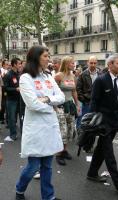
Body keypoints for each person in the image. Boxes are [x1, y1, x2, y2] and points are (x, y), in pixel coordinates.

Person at [15, 46, 65, 200]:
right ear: (36, 57)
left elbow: (61, 96)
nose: (48, 59)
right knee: (33, 166)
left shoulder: (48, 76)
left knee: (47, 166)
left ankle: (48, 196)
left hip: (49, 127)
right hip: (36, 128)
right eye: (45, 56)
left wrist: (48, 99)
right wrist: (52, 107)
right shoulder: (26, 78)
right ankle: (19, 189)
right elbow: (32, 104)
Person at [87, 53, 118, 193]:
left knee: (101, 149)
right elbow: (94, 101)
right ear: (110, 65)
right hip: (103, 123)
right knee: (109, 153)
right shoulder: (100, 80)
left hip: (114, 122)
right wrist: (93, 123)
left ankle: (92, 173)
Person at [55, 56, 80, 166]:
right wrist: (54, 106)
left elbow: (74, 91)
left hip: (70, 105)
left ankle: (64, 150)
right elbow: (52, 92)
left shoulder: (73, 76)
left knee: (70, 129)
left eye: (73, 63)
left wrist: (77, 104)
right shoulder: (58, 76)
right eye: (72, 63)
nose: (74, 65)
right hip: (60, 106)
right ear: (66, 64)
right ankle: (58, 154)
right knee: (62, 130)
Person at [76, 56, 100, 127]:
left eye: (94, 63)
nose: (93, 65)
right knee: (84, 121)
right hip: (86, 103)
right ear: (87, 63)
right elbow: (78, 89)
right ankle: (82, 135)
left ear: (97, 63)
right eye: (91, 63)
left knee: (95, 122)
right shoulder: (82, 75)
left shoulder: (100, 74)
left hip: (97, 103)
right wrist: (84, 100)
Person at [3, 58, 22, 142]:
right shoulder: (8, 75)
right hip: (11, 100)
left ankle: (23, 134)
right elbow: (5, 88)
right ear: (14, 64)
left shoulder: (19, 74)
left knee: (21, 117)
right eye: (19, 63)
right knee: (12, 118)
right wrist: (15, 89)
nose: (20, 65)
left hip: (19, 99)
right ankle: (13, 135)